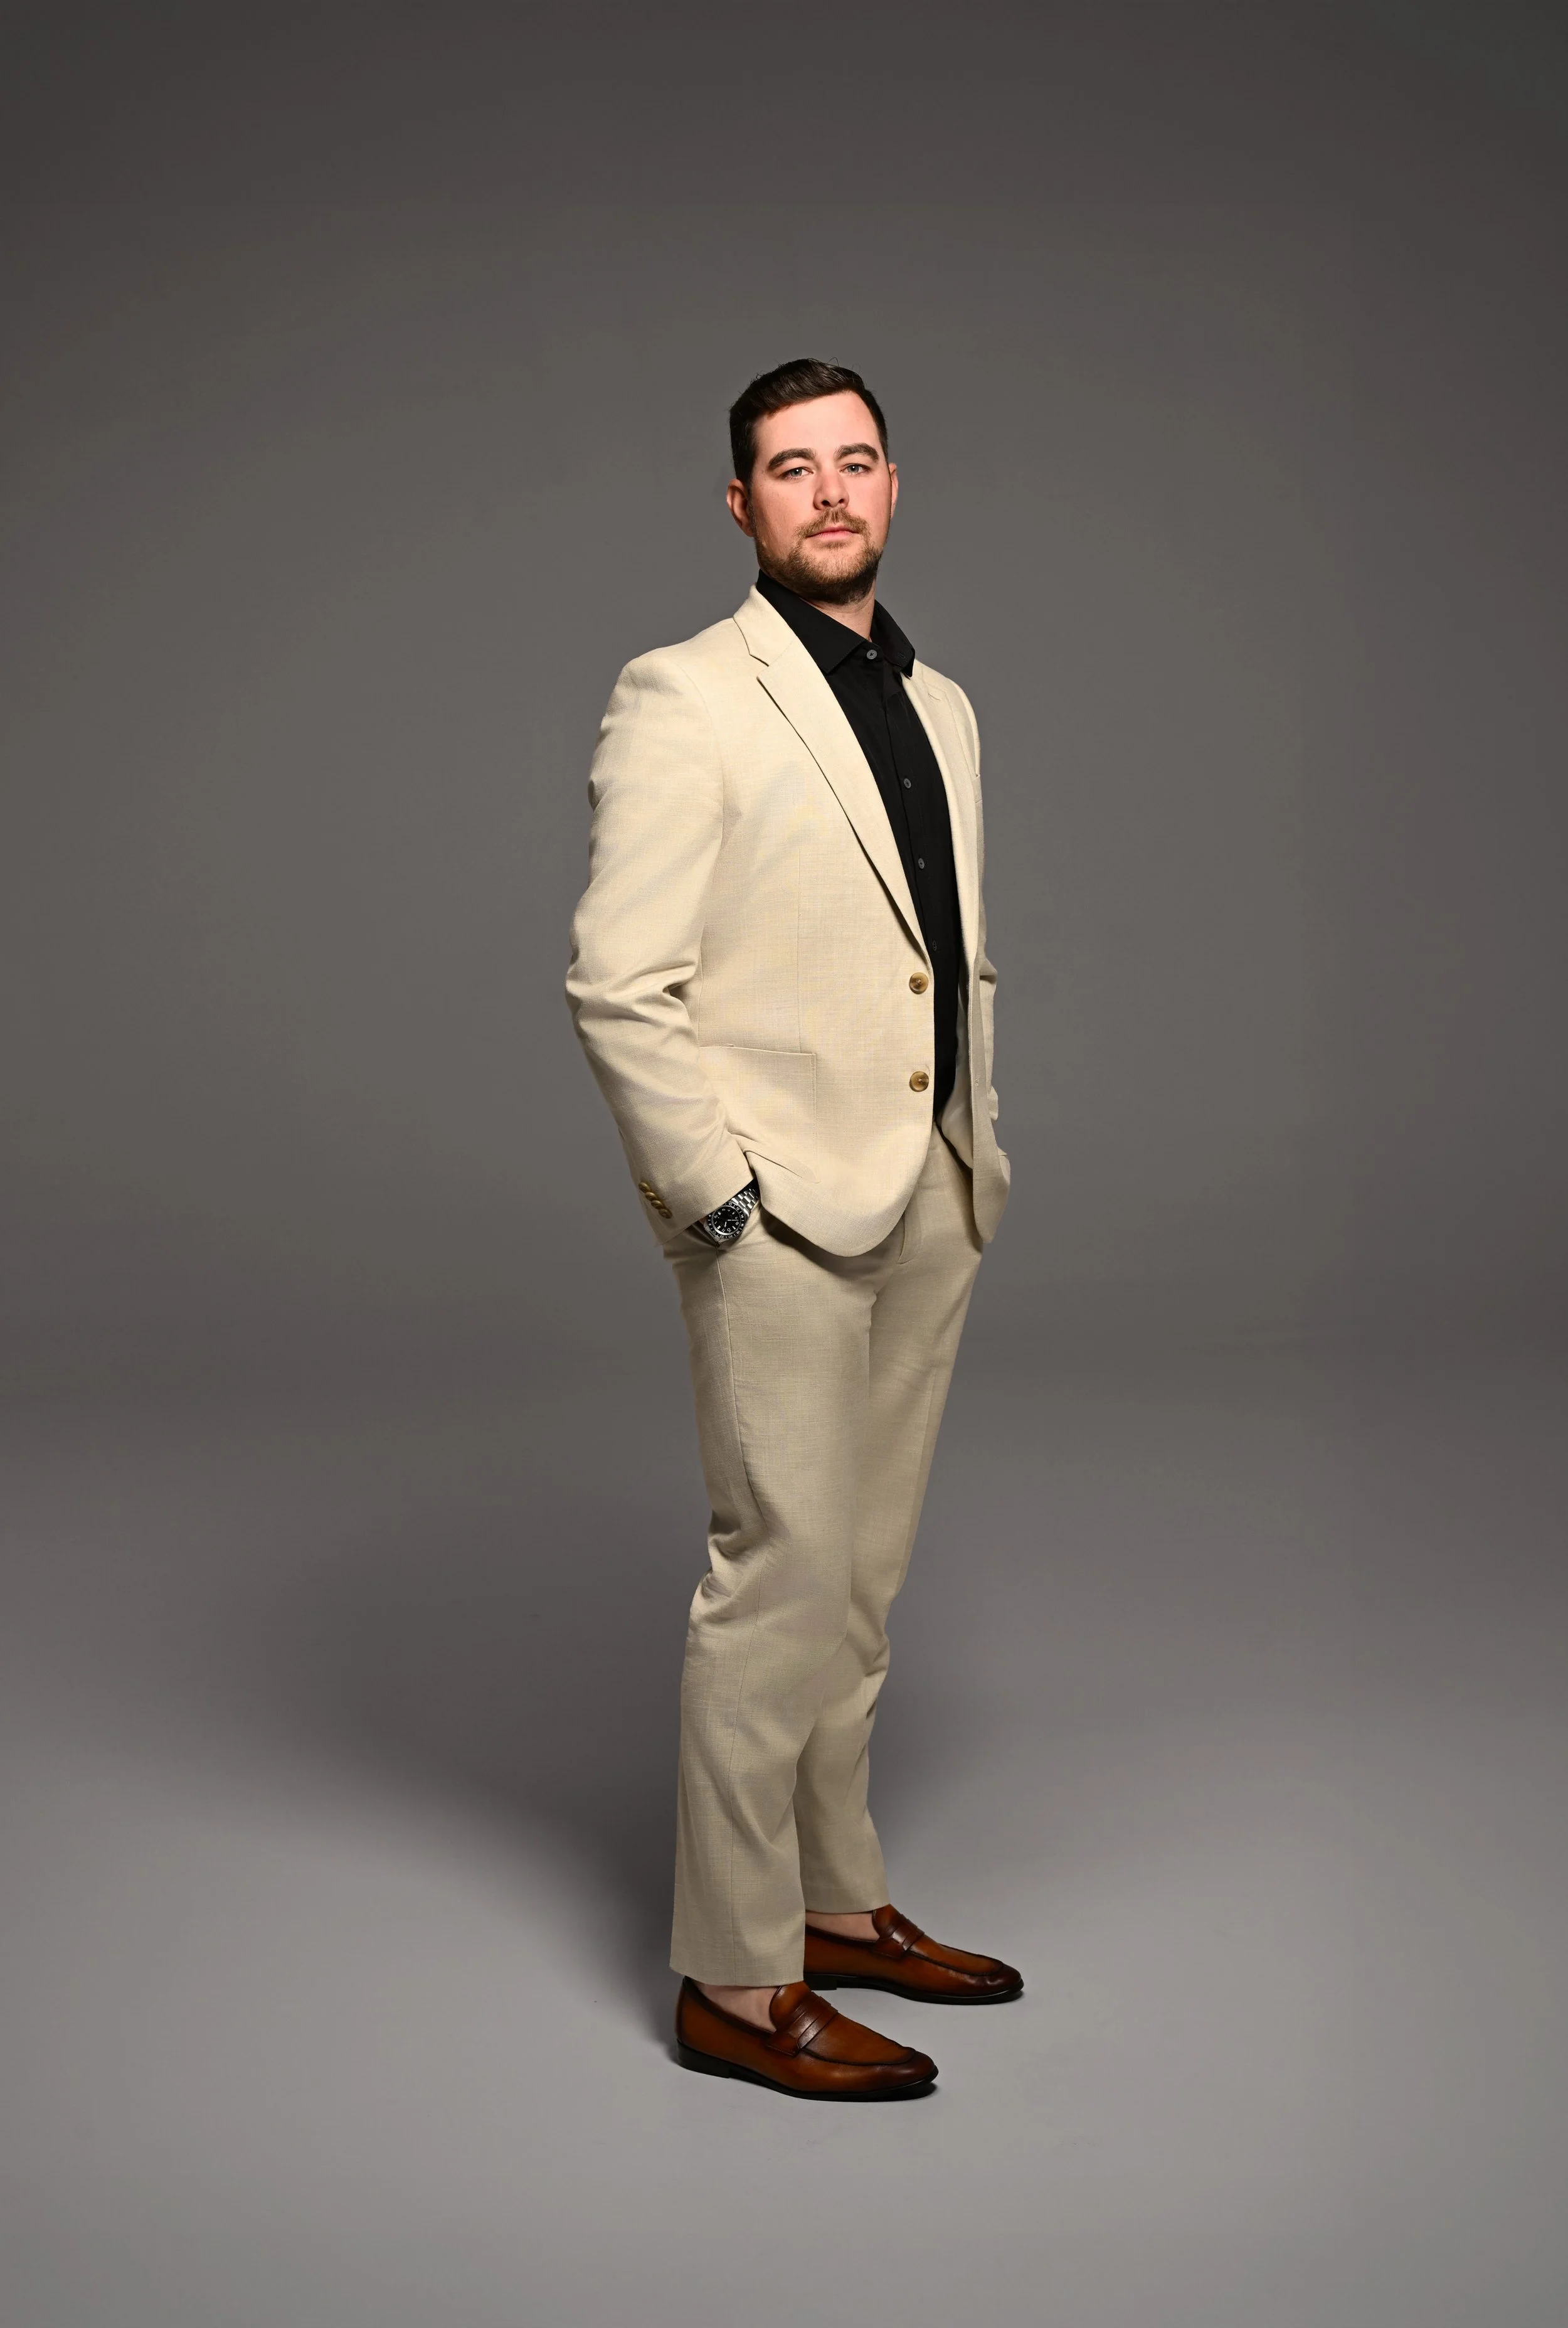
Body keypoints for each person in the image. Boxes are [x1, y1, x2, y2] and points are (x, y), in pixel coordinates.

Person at [566, 358, 1018, 2100]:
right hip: (775, 1208)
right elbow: (618, 980)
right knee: (776, 1582)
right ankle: (737, 1981)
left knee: (862, 1581)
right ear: (741, 504)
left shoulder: (945, 703)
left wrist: (978, 1139)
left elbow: (942, 947)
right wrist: (717, 1200)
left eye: (855, 460)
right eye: (789, 467)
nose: (828, 491)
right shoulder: (682, 693)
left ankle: (835, 1900)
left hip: (929, 1180)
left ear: (894, 485)